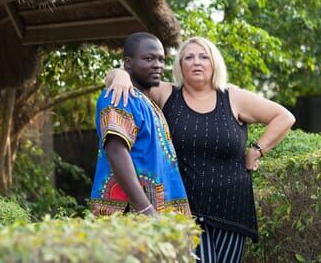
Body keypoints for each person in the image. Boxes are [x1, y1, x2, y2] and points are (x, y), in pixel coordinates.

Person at [105, 36, 296, 262]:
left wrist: (256, 149)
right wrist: (119, 75)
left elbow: (284, 117)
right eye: (189, 57)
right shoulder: (165, 93)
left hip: (232, 209)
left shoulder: (234, 97)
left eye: (204, 56)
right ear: (180, 66)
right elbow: (127, 78)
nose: (197, 62)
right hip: (185, 212)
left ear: (214, 63)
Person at [90, 32, 191, 217]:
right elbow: (116, 150)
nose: (158, 65)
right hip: (133, 218)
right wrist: (146, 210)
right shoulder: (119, 96)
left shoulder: (145, 101)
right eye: (149, 58)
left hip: (155, 217)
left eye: (161, 59)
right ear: (128, 63)